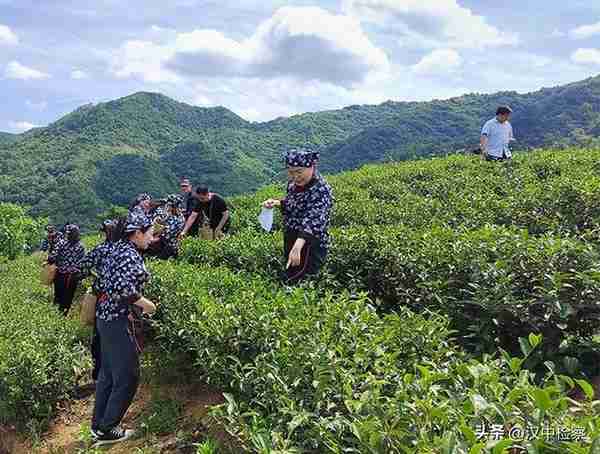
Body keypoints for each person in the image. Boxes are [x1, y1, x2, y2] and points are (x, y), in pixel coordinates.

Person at [91, 211, 156, 447]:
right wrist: (147, 305)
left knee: (108, 374)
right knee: (128, 376)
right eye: (149, 232)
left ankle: (99, 425)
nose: (152, 237)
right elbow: (124, 290)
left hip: (104, 318)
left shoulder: (115, 248)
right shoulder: (128, 254)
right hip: (118, 321)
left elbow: (102, 282)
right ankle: (108, 429)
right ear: (137, 233)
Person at [262, 148, 333, 284]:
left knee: (305, 280)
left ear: (312, 167)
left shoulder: (321, 190)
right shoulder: (293, 185)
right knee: (291, 272)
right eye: (290, 172)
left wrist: (298, 246)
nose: (295, 176)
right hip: (292, 236)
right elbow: (292, 205)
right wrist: (277, 203)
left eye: (299, 172)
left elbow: (314, 220)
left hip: (310, 243)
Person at [79, 220, 118, 382]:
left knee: (99, 335)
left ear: (104, 234)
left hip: (103, 298)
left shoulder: (100, 249)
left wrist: (97, 276)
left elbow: (83, 267)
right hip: (123, 299)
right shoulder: (126, 249)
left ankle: (98, 373)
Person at [47, 224, 85, 315]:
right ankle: (63, 314)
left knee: (58, 296)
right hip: (72, 277)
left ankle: (56, 315)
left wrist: (50, 259)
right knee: (68, 298)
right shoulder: (80, 246)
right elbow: (83, 262)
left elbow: (53, 257)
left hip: (61, 274)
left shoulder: (61, 243)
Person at [147, 194, 185, 259]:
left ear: (174, 206)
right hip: (164, 242)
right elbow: (163, 222)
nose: (167, 206)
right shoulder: (171, 215)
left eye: (169, 205)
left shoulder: (179, 219)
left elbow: (167, 234)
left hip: (169, 246)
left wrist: (153, 238)